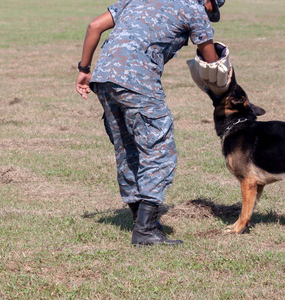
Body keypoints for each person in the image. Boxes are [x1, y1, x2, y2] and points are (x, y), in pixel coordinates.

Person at [76, 0, 227, 246]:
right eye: (213, 8)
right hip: (137, 78)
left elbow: (94, 26)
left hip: (103, 77)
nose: (210, 13)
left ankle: (140, 220)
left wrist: (84, 68)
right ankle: (145, 230)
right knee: (159, 149)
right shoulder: (194, 9)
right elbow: (212, 63)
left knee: (127, 147)